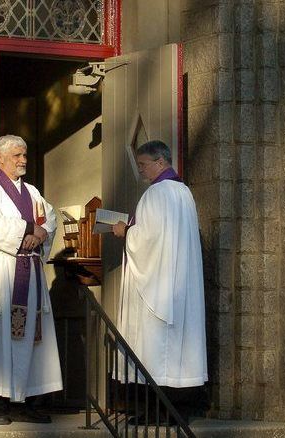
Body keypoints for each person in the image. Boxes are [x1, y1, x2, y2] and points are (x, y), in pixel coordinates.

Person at [0, 135, 62, 425]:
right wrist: (31, 229)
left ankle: (25, 402)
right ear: (0, 158)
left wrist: (40, 234)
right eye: (17, 155)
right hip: (1, 272)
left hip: (29, 272)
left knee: (31, 333)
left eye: (25, 154)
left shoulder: (32, 192)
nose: (23, 160)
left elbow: (49, 219)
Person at [112, 140, 208, 423]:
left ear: (161, 162)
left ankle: (156, 411)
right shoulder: (184, 193)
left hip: (157, 286)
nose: (141, 171)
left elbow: (147, 241)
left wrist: (124, 231)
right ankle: (173, 411)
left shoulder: (156, 194)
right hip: (180, 285)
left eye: (143, 165)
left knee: (155, 350)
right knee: (173, 353)